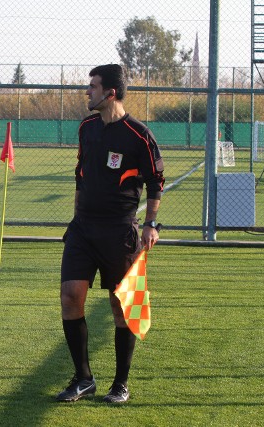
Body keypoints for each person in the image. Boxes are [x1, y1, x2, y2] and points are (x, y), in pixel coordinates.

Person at [56, 64, 165, 403]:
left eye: (93, 86)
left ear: (110, 92)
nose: (87, 92)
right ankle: (83, 377)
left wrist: (149, 225)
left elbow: (155, 182)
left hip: (120, 231)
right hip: (82, 230)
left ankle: (120, 384)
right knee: (71, 297)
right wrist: (75, 219)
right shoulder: (87, 127)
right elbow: (80, 173)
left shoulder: (138, 135)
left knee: (121, 307)